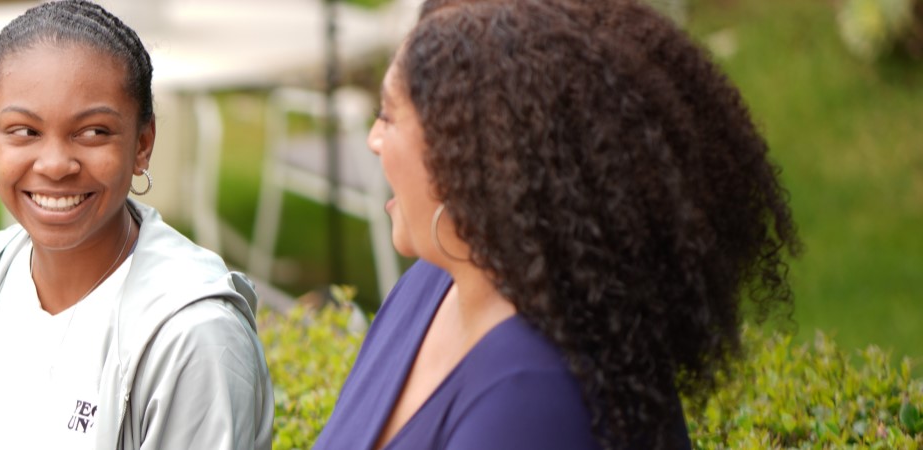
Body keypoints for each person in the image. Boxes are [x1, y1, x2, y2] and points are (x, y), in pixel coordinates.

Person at [313, 0, 799, 448]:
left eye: (389, 115)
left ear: (467, 152)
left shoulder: (533, 394)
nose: (374, 139)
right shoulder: (430, 286)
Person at [0, 2, 275, 449]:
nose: (55, 165)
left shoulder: (194, 336)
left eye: (92, 132)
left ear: (142, 144)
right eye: (23, 131)